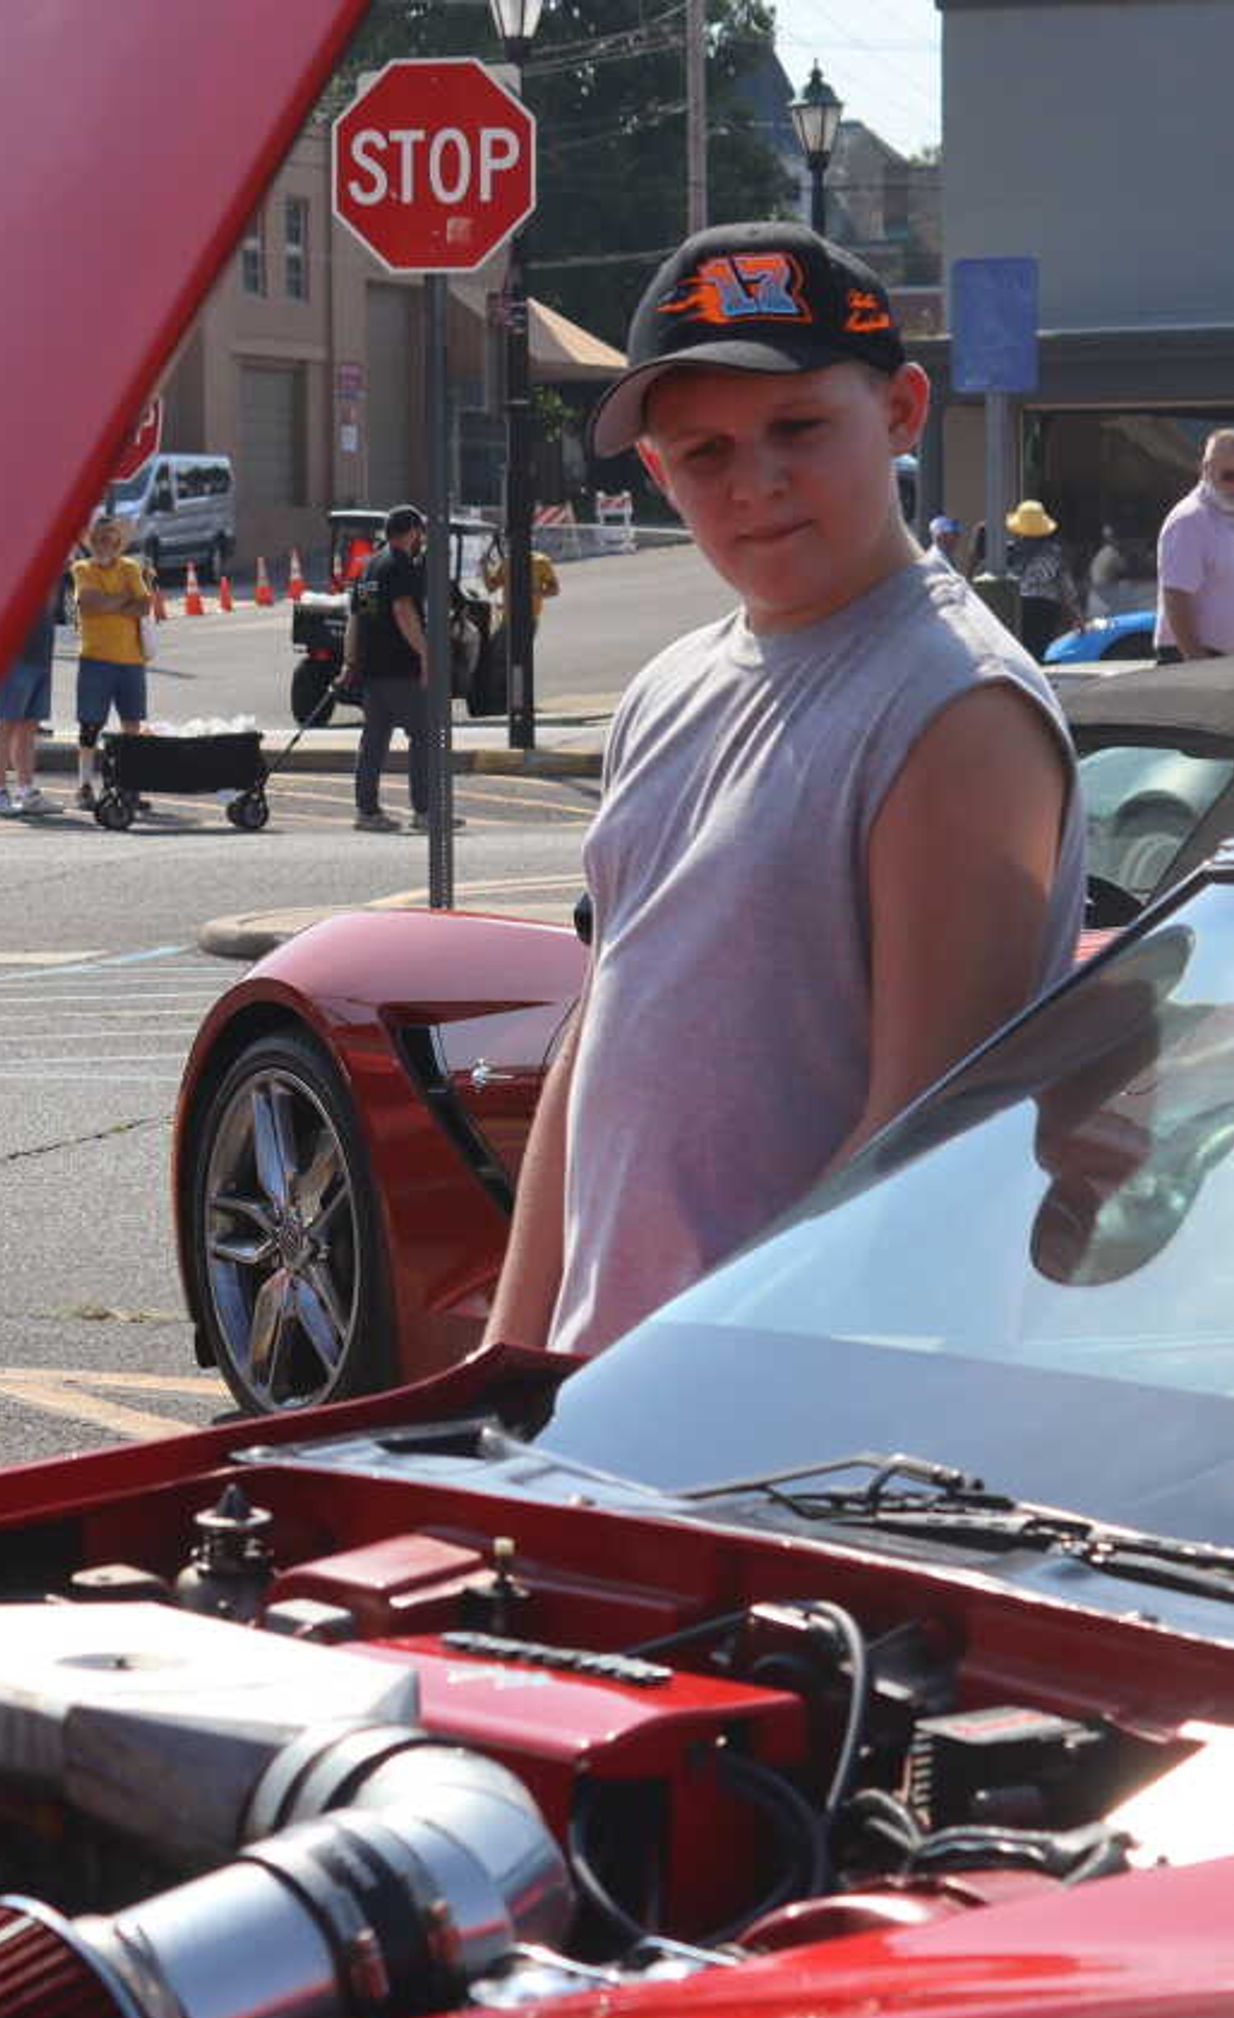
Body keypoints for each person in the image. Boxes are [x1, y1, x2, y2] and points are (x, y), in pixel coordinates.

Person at [487, 222, 1087, 1360]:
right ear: (656, 471)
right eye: (703, 453)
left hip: (786, 1415)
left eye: (798, 428)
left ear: (903, 411)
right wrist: (510, 1362)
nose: (755, 482)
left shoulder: (956, 707)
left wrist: (693, 1388)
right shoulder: (667, 688)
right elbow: (593, 1043)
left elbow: (917, 1145)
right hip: (612, 1405)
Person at [347, 503, 435, 834]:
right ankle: (425, 812)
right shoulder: (400, 565)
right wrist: (426, 654)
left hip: (371, 669)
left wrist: (350, 661)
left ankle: (366, 811)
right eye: (420, 533)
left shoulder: (369, 567)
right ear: (413, 532)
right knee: (424, 736)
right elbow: (403, 612)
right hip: (400, 668)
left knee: (374, 740)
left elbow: (356, 619)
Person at [67, 514, 156, 809]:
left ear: (118, 542)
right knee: (90, 726)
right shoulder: (82, 568)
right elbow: (89, 602)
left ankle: (127, 785)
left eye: (110, 538)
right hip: (95, 659)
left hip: (130, 660)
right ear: (91, 542)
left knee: (132, 725)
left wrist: (109, 603)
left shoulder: (130, 567)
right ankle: (84, 786)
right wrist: (122, 601)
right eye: (99, 539)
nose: (105, 543)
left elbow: (144, 604)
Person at [1152, 429, 1234, 661]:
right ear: (1206, 469)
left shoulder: (1233, 517)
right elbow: (1176, 596)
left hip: (1227, 661)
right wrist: (1198, 662)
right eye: (1229, 476)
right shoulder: (1190, 519)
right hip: (1195, 660)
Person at [0, 560, 62, 815]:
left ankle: (26, 792)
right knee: (6, 724)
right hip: (13, 659)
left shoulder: (49, 567)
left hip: (41, 655)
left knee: (28, 727)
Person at [482, 536, 559, 702]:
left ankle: (520, 698)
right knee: (497, 656)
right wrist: (484, 566)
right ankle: (503, 698)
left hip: (528, 619)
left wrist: (536, 591)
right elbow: (491, 586)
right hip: (508, 619)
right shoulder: (507, 563)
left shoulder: (541, 562)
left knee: (520, 659)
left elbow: (554, 589)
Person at [1004, 496, 1075, 658]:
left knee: (1020, 651)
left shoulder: (1009, 552)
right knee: (1041, 649)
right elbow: (1065, 586)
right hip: (1045, 607)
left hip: (1017, 606)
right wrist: (1075, 615)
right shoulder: (1054, 552)